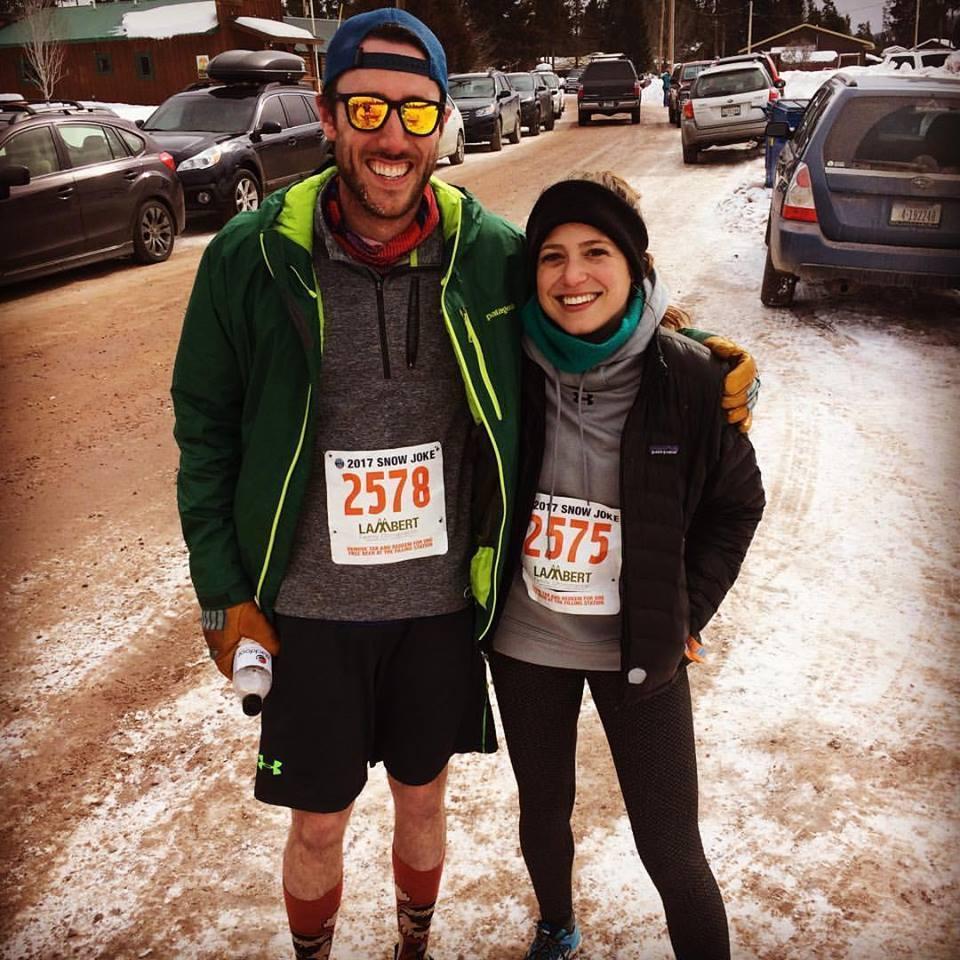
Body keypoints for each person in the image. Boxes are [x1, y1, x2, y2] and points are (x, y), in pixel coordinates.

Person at [172, 9, 758, 959]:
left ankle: (414, 944)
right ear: (328, 115)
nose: (391, 135)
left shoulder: (488, 253)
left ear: (443, 119)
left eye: (415, 110)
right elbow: (202, 434)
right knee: (318, 826)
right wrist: (221, 589)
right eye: (367, 105)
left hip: (442, 610)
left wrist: (701, 356)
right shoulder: (251, 255)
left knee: (423, 803)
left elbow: (589, 302)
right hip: (310, 612)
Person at [488, 172, 765, 960]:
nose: (572, 277)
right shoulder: (503, 369)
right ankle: (556, 923)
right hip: (525, 642)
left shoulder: (689, 378)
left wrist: (686, 611)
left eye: (595, 252)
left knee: (672, 849)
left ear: (636, 265)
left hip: (638, 647)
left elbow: (737, 505)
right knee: (543, 807)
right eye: (551, 257)